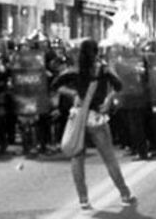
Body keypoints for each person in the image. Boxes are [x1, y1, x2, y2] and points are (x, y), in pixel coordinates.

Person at [52, 38, 136, 210]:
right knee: (109, 159)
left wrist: (73, 94)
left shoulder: (74, 69)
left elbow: (56, 85)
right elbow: (118, 86)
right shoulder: (103, 69)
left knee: (77, 158)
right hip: (96, 118)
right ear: (97, 52)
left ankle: (83, 200)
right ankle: (125, 194)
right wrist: (107, 99)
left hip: (78, 116)